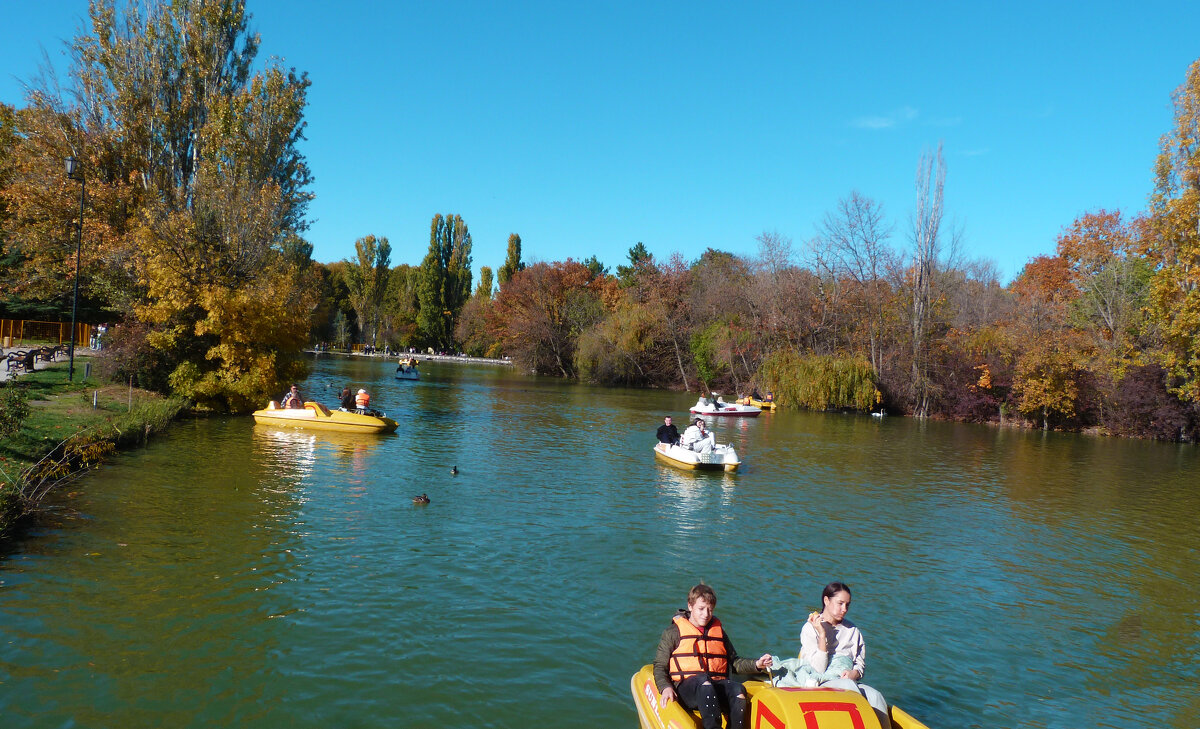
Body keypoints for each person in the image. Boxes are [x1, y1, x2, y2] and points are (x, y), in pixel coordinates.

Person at [653, 583, 772, 729]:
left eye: (710, 609)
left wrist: (757, 664)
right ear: (690, 606)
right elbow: (660, 666)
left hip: (714, 686)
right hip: (687, 689)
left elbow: (734, 662)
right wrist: (665, 687)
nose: (706, 614)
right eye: (701, 609)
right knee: (704, 682)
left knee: (738, 690)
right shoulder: (673, 632)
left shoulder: (719, 632)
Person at [799, 582, 891, 729]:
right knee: (849, 687)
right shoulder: (810, 628)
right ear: (826, 600)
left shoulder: (852, 630)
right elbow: (817, 669)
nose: (844, 609)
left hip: (846, 680)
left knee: (876, 697)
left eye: (847, 605)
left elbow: (859, 663)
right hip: (819, 681)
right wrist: (822, 635)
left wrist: (855, 673)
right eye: (840, 603)